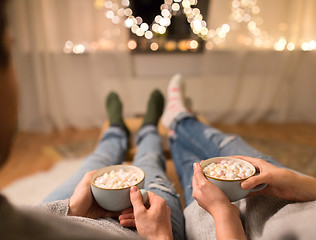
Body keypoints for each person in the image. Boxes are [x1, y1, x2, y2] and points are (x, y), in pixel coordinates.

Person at [0, 1, 184, 239]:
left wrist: (70, 210)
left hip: (74, 214)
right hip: (141, 231)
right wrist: (160, 236)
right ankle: (148, 127)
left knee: (96, 163)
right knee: (148, 160)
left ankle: (116, 129)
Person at [160, 75, 316, 240]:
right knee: (226, 144)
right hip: (289, 191)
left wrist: (223, 213)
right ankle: (179, 121)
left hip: (222, 225)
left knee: (191, 170)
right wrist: (305, 185)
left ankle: (178, 119)